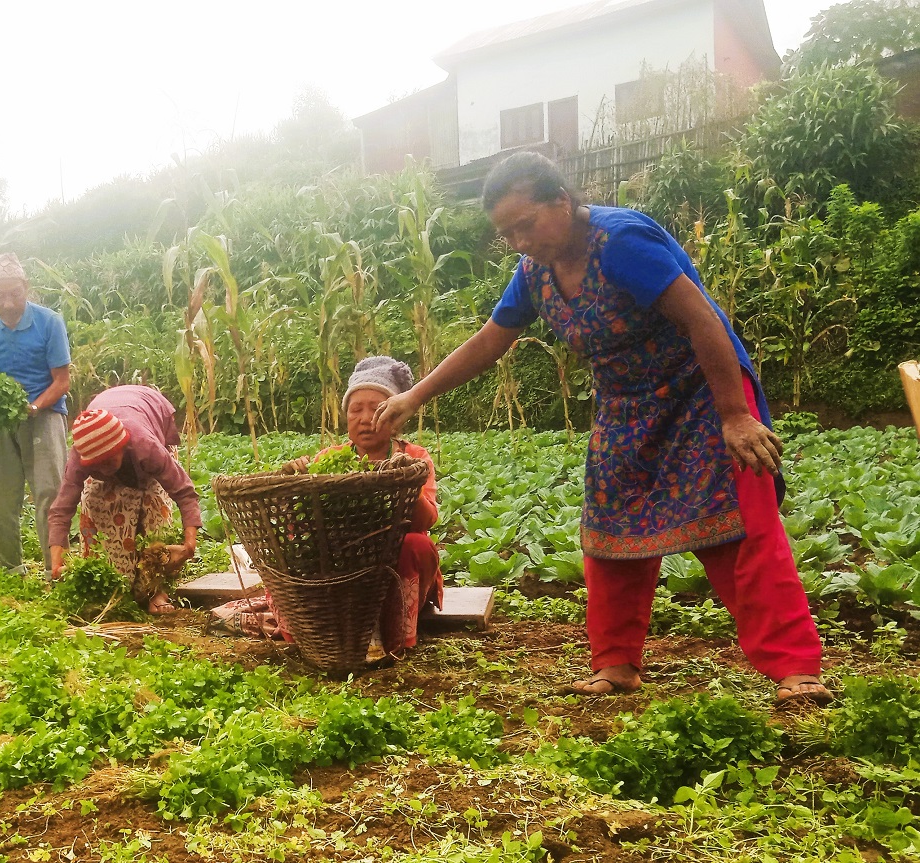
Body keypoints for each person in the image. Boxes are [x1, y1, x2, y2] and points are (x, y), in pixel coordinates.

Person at [373, 152, 831, 706]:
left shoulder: (621, 243)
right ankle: (616, 665)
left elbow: (702, 319)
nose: (518, 240)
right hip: (627, 406)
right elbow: (489, 341)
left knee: (741, 527)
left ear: (562, 202)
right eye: (507, 232)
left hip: (704, 394)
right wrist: (413, 396)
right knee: (609, 530)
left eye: (526, 224)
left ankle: (795, 670)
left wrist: (735, 415)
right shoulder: (534, 273)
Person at [212, 356, 443, 656]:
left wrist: (405, 479)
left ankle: (398, 639)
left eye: (376, 409)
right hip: (344, 564)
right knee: (291, 550)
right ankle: (308, 633)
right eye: (355, 410)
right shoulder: (328, 459)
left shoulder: (415, 456)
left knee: (416, 545)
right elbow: (300, 522)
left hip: (393, 563)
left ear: (396, 415)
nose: (364, 418)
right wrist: (294, 481)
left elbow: (427, 521)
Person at [47, 385, 200, 614]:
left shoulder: (146, 446)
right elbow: (62, 509)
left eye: (109, 461)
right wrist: (57, 562)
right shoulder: (82, 455)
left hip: (149, 411)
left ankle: (155, 591)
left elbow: (183, 491)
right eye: (97, 464)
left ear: (123, 446)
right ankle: (113, 587)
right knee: (97, 502)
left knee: (154, 506)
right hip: (110, 412)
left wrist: (189, 546)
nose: (104, 469)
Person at [0, 252, 71, 572]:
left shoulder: (49, 322)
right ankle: (10, 569)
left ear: (26, 288)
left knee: (50, 494)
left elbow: (62, 381)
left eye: (14, 294)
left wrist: (33, 407)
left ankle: (54, 569)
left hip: (45, 416)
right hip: (3, 422)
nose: (8, 303)